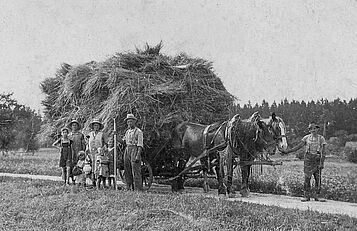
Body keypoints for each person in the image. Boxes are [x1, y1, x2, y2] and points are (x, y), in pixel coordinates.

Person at [280, 122, 327, 202]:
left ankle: (317, 196)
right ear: (309, 130)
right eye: (311, 128)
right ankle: (306, 196)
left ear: (318, 129)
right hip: (308, 160)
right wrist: (288, 151)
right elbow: (298, 147)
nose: (313, 130)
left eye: (315, 128)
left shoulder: (321, 138)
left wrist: (322, 163)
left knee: (317, 178)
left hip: (317, 160)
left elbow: (324, 152)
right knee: (307, 178)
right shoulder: (306, 138)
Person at [123, 113, 144, 191]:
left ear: (134, 122)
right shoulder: (127, 132)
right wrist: (116, 136)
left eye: (131, 121)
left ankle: (138, 188)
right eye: (128, 122)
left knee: (135, 170)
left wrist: (138, 155)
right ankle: (128, 187)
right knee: (127, 169)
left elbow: (140, 144)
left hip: (134, 150)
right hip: (127, 149)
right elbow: (123, 141)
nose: (129, 123)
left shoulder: (138, 131)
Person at [87, 118, 108, 186]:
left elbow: (106, 144)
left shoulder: (102, 134)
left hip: (99, 153)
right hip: (91, 153)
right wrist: (87, 149)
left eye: (97, 125)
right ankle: (92, 182)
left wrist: (102, 149)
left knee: (98, 167)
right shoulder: (90, 134)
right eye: (95, 125)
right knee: (90, 167)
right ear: (93, 126)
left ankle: (98, 182)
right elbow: (87, 142)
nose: (96, 127)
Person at [68, 119, 86, 184]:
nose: (74, 126)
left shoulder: (81, 135)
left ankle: (80, 180)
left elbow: (83, 144)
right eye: (73, 125)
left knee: (79, 166)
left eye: (76, 125)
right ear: (71, 126)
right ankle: (72, 179)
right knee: (72, 166)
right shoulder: (69, 135)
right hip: (72, 153)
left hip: (79, 153)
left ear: (78, 126)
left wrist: (83, 152)